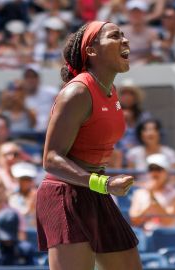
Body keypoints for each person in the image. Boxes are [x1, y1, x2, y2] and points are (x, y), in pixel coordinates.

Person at [36, 21, 142, 270]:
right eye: (115, 36)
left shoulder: (111, 90)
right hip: (64, 196)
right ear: (92, 51)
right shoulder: (77, 93)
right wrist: (103, 183)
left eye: (124, 35)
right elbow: (50, 159)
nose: (125, 40)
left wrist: (101, 183)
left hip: (95, 191)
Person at [129, 154, 175, 231]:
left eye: (158, 169)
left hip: (167, 237)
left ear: (166, 172)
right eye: (151, 169)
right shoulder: (139, 193)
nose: (154, 173)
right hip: (145, 238)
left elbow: (168, 221)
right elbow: (134, 221)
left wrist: (152, 196)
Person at [126, 118, 175, 183]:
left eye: (154, 129)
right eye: (146, 130)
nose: (150, 133)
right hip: (140, 190)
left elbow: (174, 180)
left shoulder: (170, 153)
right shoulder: (133, 153)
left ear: (159, 133)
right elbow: (129, 180)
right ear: (141, 134)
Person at [9, 162, 38, 228]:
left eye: (28, 179)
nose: (25, 182)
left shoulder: (38, 195)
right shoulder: (12, 196)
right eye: (22, 179)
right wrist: (29, 209)